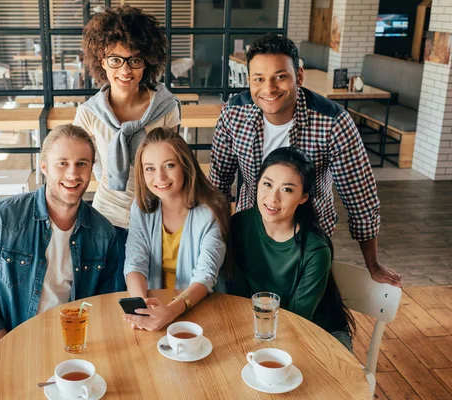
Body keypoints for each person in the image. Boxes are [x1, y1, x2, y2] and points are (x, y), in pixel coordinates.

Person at [209, 34, 402, 288]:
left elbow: (360, 197)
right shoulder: (234, 113)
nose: (268, 89)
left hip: (308, 236)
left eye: (280, 76)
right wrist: (218, 243)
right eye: (259, 79)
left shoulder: (333, 121)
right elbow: (218, 185)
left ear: (298, 76)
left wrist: (373, 264)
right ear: (249, 80)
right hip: (250, 229)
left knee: (300, 309)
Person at [0, 124, 120, 386]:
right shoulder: (2, 219)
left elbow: (104, 309)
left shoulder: (103, 234)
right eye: (62, 163)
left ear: (92, 170)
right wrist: (16, 354)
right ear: (44, 166)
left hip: (69, 353)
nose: (73, 173)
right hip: (2, 349)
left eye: (82, 163)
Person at [75, 6, 181, 289]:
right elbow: (84, 170)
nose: (125, 70)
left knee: (155, 298)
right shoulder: (88, 114)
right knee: (110, 299)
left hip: (155, 219)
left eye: (134, 60)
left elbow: (172, 169)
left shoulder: (166, 109)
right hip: (106, 218)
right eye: (116, 60)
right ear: (102, 60)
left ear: (147, 61)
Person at [228, 147, 355, 350]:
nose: (273, 198)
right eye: (267, 184)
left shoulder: (315, 250)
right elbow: (238, 292)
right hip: (262, 327)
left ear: (303, 197)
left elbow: (298, 320)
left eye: (287, 189)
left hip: (317, 331)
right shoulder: (240, 224)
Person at [122, 128, 229, 331]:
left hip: (198, 307)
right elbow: (135, 262)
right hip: (156, 307)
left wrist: (170, 312)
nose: (160, 177)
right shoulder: (140, 208)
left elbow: (205, 276)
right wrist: (141, 304)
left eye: (169, 165)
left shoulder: (212, 210)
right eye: (150, 168)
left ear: (186, 167)